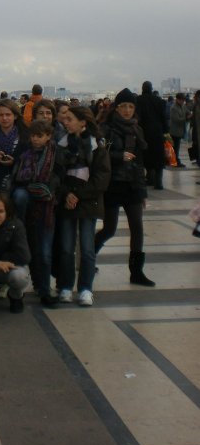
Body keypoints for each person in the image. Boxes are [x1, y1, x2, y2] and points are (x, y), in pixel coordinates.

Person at [96, 89, 154, 287]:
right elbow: (98, 155)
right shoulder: (106, 128)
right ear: (116, 108)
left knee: (137, 227)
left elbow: (140, 163)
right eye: (123, 106)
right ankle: (88, 257)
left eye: (130, 106)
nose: (127, 110)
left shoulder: (137, 129)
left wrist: (143, 191)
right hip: (113, 185)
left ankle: (136, 272)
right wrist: (118, 156)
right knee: (109, 229)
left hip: (132, 185)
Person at [55, 106, 111, 306]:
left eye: (70, 119)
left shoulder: (97, 147)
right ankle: (66, 286)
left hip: (88, 203)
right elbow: (56, 175)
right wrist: (66, 194)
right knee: (66, 247)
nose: (65, 122)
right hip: (67, 202)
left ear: (83, 122)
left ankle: (86, 288)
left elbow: (102, 177)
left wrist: (77, 195)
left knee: (87, 248)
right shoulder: (61, 146)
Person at [10, 121, 59, 306]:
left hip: (47, 209)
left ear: (48, 136)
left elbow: (59, 177)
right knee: (30, 251)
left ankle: (45, 290)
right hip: (29, 211)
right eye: (33, 135)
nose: (35, 139)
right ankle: (33, 287)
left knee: (45, 253)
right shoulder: (25, 154)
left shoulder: (56, 154)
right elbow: (17, 181)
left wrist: (47, 189)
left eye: (39, 136)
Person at [136, 81, 167, 190]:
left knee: (146, 156)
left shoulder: (138, 100)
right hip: (157, 132)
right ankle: (158, 182)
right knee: (158, 157)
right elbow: (164, 117)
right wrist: (165, 131)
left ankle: (150, 178)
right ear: (151, 88)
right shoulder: (158, 100)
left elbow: (137, 118)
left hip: (144, 132)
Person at [169, 93, 190, 169]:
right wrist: (186, 118)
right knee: (175, 147)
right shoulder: (173, 108)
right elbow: (176, 119)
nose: (183, 101)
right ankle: (175, 162)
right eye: (181, 100)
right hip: (174, 131)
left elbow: (187, 111)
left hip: (180, 130)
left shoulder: (183, 106)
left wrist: (188, 114)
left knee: (176, 147)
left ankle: (175, 161)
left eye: (183, 100)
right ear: (177, 99)